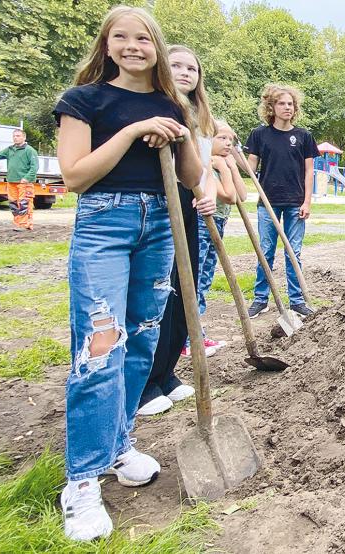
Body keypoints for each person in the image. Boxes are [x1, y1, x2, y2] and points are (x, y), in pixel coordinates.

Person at [52, 6, 203, 541]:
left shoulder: (171, 104)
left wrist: (178, 135)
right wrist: (135, 129)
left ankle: (117, 446)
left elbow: (191, 178)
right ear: (106, 44)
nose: (133, 45)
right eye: (122, 37)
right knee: (100, 346)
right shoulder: (85, 100)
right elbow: (75, 176)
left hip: (161, 222)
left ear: (156, 47)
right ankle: (82, 481)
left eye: (143, 38)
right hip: (105, 223)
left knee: (141, 340)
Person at [136, 44, 219, 417]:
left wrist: (205, 194)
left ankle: (166, 370)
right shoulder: (153, 108)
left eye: (192, 68)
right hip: (156, 202)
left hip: (187, 201)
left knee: (181, 291)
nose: (186, 73)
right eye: (177, 66)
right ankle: (145, 382)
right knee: (156, 292)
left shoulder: (198, 116)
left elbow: (201, 167)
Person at [244, 84, 319, 318]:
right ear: (271, 107)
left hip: (295, 201)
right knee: (265, 250)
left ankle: (296, 300)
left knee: (292, 252)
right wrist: (233, 155)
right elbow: (250, 167)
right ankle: (260, 299)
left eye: (290, 104)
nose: (287, 107)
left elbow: (309, 172)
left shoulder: (304, 136)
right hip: (268, 202)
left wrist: (307, 202)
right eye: (282, 103)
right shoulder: (259, 135)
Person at [193, 121, 245, 334]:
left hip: (218, 223)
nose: (227, 143)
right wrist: (224, 168)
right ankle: (191, 336)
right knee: (197, 279)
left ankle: (196, 332)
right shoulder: (208, 165)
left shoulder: (222, 163)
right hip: (204, 223)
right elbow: (230, 196)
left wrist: (232, 166)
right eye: (221, 138)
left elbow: (242, 195)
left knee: (205, 278)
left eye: (231, 140)